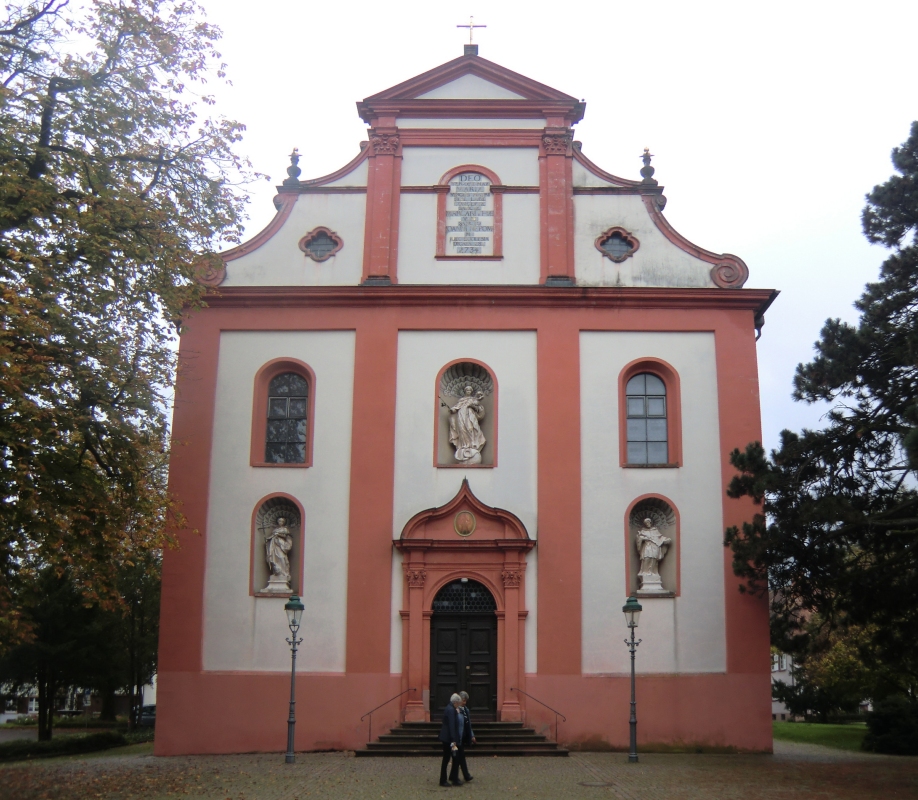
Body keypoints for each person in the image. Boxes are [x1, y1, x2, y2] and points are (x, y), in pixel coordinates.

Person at [443, 385, 486, 464]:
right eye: (467, 390)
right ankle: (464, 445)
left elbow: (478, 408)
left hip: (470, 416)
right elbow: (457, 407)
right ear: (465, 391)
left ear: (471, 391)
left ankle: (472, 445)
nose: (468, 391)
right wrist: (453, 410)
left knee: (471, 428)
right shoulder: (461, 400)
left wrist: (473, 404)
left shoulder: (473, 399)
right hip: (461, 415)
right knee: (462, 430)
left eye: (470, 390)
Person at [438, 694, 463, 787]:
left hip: (446, 738)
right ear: (455, 702)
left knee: (449, 758)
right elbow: (452, 725)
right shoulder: (451, 710)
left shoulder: (449, 708)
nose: (459, 705)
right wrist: (454, 740)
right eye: (458, 703)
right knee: (451, 758)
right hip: (449, 739)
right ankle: (447, 779)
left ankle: (451, 778)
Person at [456, 691, 475, 783]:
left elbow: (469, 724)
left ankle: (454, 776)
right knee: (460, 756)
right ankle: (466, 775)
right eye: (463, 700)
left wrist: (472, 735)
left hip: (464, 736)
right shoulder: (456, 711)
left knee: (458, 757)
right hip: (458, 737)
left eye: (465, 701)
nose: (465, 702)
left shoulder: (466, 710)